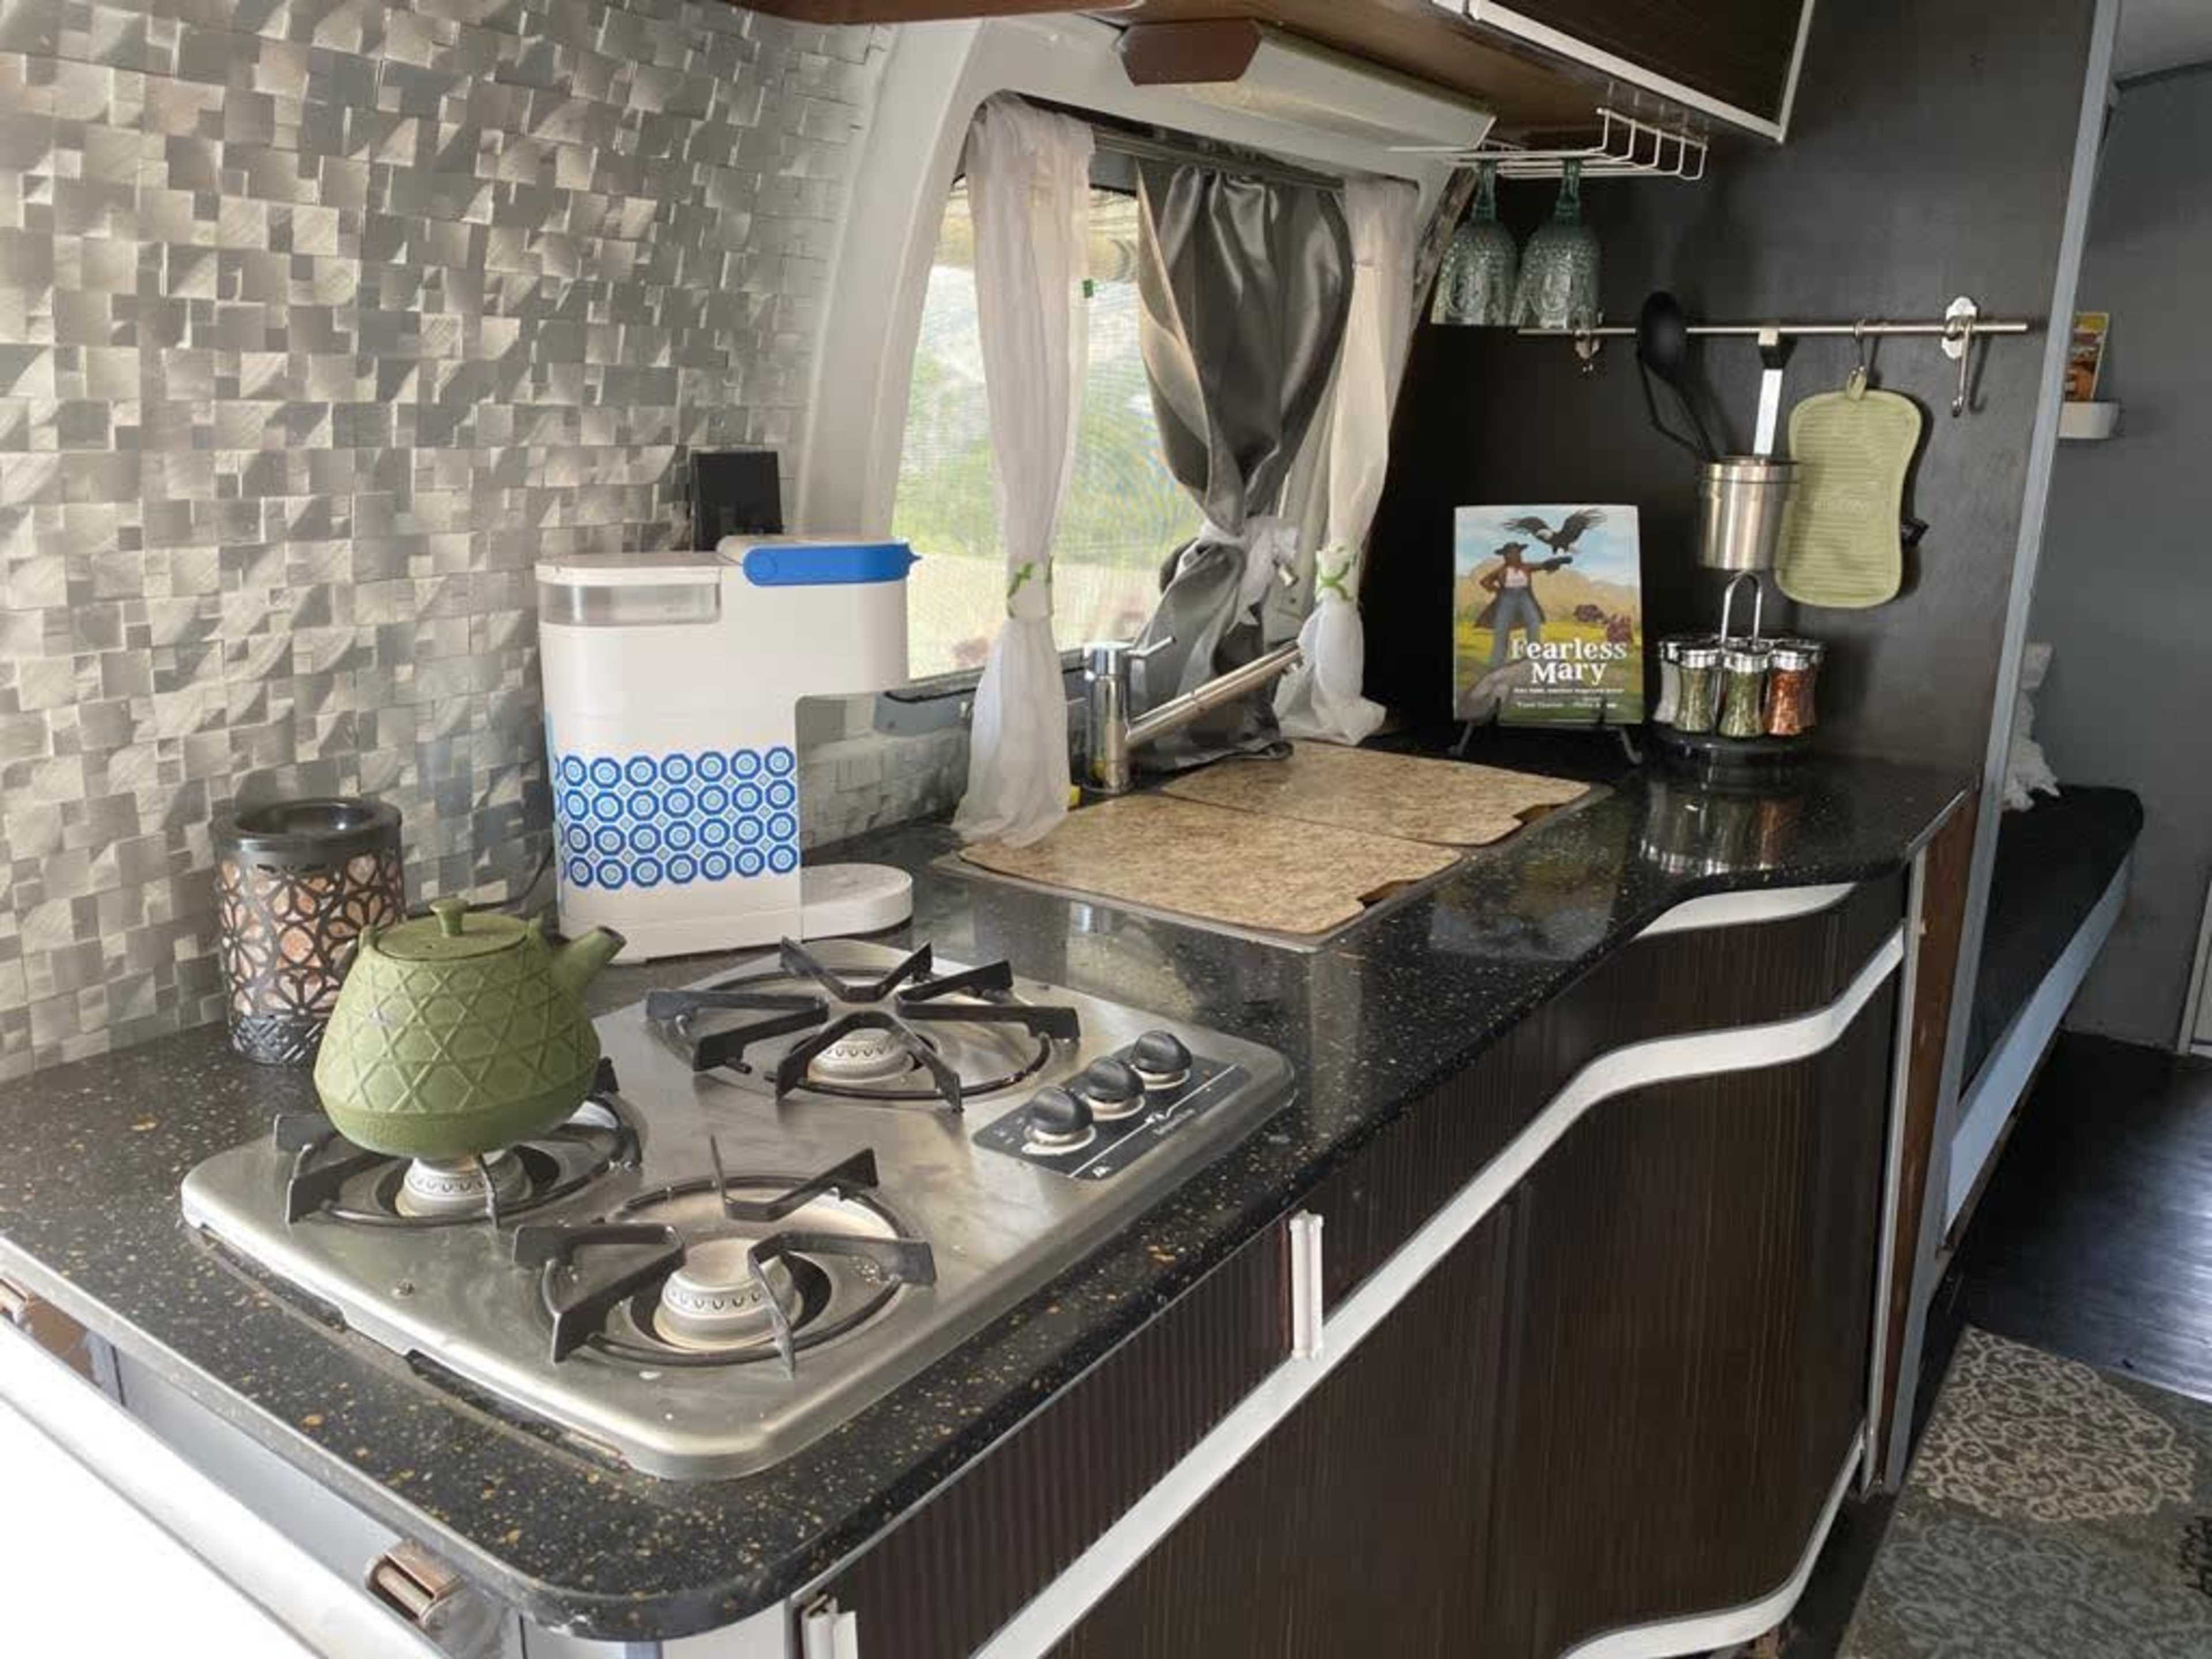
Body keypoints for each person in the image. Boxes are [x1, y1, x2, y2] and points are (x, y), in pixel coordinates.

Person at [1477, 541, 1572, 667]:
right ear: (1506, 556)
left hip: (1524, 597)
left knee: (1533, 621)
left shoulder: (1526, 567)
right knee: (1502, 628)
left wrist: (1560, 561)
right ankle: (1497, 663)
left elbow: (1543, 565)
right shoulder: (1501, 570)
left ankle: (1534, 654)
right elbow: (1484, 581)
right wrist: (1497, 591)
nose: (1514, 556)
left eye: (1517, 553)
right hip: (1507, 598)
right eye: (1510, 554)